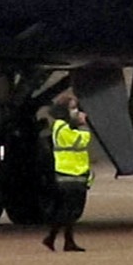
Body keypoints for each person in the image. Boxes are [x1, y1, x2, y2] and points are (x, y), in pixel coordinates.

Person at [41, 92, 95, 252]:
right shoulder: (61, 127)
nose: (76, 111)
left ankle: (61, 240)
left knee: (68, 210)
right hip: (69, 173)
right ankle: (56, 238)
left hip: (75, 172)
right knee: (69, 210)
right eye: (72, 108)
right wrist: (83, 125)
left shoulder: (64, 126)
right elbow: (80, 140)